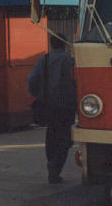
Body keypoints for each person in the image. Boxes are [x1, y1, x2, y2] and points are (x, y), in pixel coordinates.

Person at [28, 35, 77, 184]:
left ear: (51, 44)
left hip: (48, 104)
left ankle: (51, 161)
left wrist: (37, 93)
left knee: (51, 135)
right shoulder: (70, 60)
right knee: (66, 137)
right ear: (65, 45)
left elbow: (32, 79)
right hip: (67, 105)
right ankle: (56, 164)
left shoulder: (44, 59)